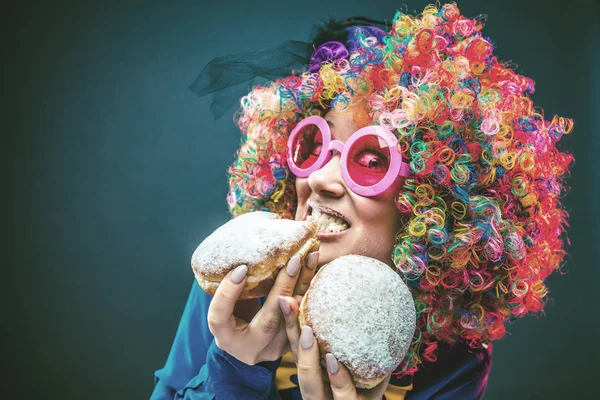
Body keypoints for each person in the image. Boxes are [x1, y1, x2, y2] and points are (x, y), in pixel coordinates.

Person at [151, 3, 574, 399]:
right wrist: (234, 367)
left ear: (432, 205)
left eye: (371, 159)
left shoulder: (455, 357)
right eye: (313, 144)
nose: (319, 178)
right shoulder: (238, 289)